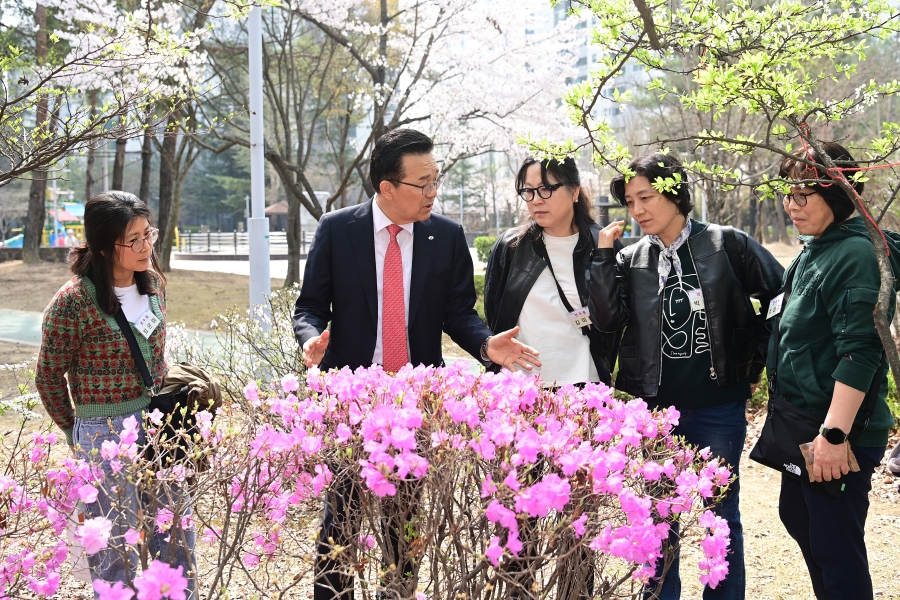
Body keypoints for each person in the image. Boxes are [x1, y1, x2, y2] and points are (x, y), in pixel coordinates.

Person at [293, 128, 541, 599]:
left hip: (415, 400)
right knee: (340, 520)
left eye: (436, 180)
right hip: (352, 398)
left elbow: (457, 313)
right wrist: (311, 341)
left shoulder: (444, 236)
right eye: (422, 183)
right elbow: (309, 307)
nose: (433, 192)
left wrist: (487, 345)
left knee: (404, 523)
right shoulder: (337, 229)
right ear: (387, 187)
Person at [592, 153, 784, 600]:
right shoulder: (629, 258)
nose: (637, 210)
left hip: (719, 406)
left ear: (674, 191)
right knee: (658, 517)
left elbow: (781, 297)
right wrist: (603, 256)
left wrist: (753, 364)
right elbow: (605, 321)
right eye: (630, 201)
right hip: (657, 412)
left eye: (646, 197)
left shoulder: (726, 243)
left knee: (721, 514)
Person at [35, 191, 196, 595]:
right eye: (134, 240)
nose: (146, 247)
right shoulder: (72, 303)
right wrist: (79, 431)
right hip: (103, 434)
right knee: (113, 555)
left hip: (163, 429)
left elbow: (157, 357)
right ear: (106, 247)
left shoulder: (155, 285)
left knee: (177, 542)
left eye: (148, 235)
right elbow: (48, 376)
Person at [770, 142, 897, 600]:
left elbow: (860, 352)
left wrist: (835, 436)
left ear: (841, 192)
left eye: (804, 192)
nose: (791, 203)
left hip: (838, 432)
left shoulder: (854, 253)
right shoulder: (816, 248)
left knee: (835, 547)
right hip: (804, 420)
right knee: (800, 519)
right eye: (788, 190)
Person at [484, 156, 621, 389]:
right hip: (522, 384)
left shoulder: (604, 244)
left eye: (546, 189)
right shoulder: (510, 247)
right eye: (528, 191)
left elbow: (614, 319)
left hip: (586, 383)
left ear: (574, 191)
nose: (536, 200)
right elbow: (494, 311)